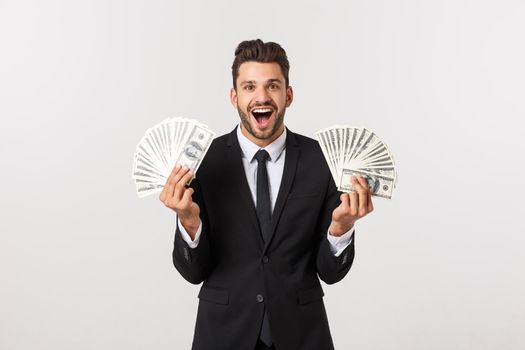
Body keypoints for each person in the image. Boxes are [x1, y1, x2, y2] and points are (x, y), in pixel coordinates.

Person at [159, 39, 374, 350]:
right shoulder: (202, 162)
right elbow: (193, 273)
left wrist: (340, 229)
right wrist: (189, 222)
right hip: (223, 335)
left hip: (302, 334)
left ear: (288, 95)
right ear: (234, 96)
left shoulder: (323, 160)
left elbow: (330, 273)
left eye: (272, 86)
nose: (261, 97)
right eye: (249, 87)